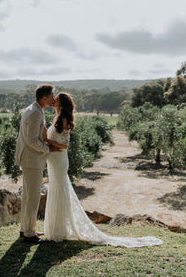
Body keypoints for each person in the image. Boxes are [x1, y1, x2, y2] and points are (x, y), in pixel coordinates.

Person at [44, 92, 163, 247]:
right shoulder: (57, 118)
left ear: (62, 103)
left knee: (59, 191)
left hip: (59, 161)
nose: (53, 101)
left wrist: (46, 141)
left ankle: (58, 231)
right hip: (53, 161)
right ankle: (56, 228)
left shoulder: (64, 120)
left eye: (56, 100)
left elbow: (65, 145)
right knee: (55, 190)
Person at [16, 84, 60, 244]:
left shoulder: (34, 109)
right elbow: (32, 140)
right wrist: (47, 149)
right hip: (32, 160)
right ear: (44, 98)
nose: (54, 98)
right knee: (33, 198)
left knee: (28, 196)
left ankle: (26, 229)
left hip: (29, 159)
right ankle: (29, 233)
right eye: (51, 96)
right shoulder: (34, 113)